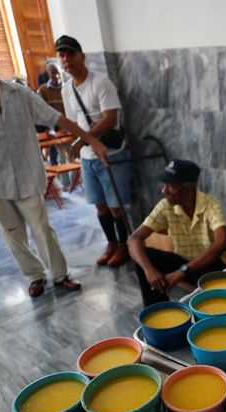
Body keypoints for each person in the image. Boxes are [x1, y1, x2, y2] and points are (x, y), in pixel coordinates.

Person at [0, 37, 109, 297]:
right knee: (13, 234)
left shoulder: (18, 93)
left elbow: (56, 118)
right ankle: (34, 275)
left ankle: (60, 275)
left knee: (43, 229)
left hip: (28, 175)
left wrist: (90, 139)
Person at [57, 35, 134, 267]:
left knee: (115, 206)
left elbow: (111, 119)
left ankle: (124, 246)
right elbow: (73, 121)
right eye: (62, 55)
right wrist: (79, 143)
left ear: (82, 56)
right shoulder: (67, 88)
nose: (66, 59)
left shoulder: (101, 82)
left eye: (70, 54)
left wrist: (83, 140)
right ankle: (111, 243)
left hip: (110, 153)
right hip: (87, 157)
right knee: (99, 204)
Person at [128, 159, 226, 307]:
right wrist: (150, 271)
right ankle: (158, 310)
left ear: (188, 189)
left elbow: (222, 242)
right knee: (145, 258)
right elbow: (133, 239)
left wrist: (182, 272)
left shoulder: (211, 205)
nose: (164, 191)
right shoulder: (165, 206)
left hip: (208, 264)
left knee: (210, 298)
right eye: (165, 185)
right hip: (182, 260)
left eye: (171, 186)